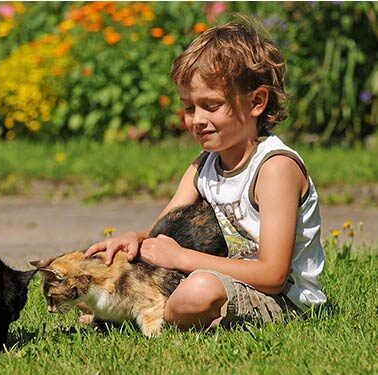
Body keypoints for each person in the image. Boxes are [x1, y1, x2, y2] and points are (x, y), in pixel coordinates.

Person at [85, 17, 326, 330]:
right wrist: (134, 239)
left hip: (282, 300)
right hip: (221, 279)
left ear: (256, 102)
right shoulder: (204, 165)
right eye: (189, 108)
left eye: (211, 106)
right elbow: (163, 232)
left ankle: (149, 313)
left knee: (199, 290)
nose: (197, 119)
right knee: (127, 276)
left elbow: (273, 275)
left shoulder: (275, 168)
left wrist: (182, 259)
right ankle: (141, 311)